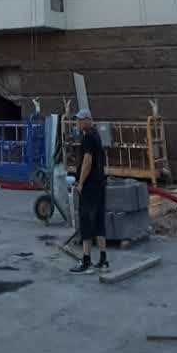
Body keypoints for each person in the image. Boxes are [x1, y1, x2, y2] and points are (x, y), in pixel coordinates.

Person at [69, 109, 109, 274]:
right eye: (77, 120)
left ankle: (86, 260)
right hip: (100, 184)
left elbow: (87, 161)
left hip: (90, 186)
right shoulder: (97, 135)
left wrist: (80, 183)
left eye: (80, 120)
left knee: (85, 220)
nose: (78, 123)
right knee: (99, 221)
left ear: (87, 120)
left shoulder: (87, 138)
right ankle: (103, 260)